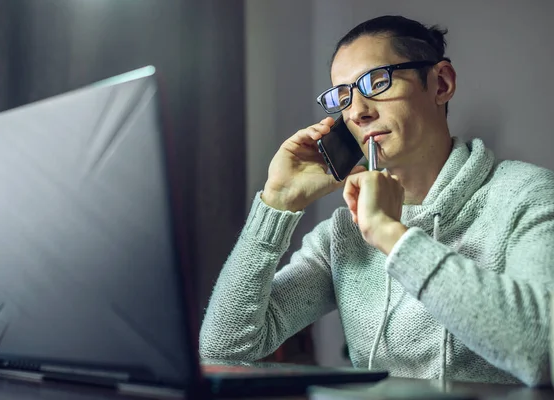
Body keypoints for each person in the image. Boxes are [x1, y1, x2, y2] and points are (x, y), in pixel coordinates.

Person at [199, 15, 554, 387]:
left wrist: (390, 234)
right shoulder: (344, 234)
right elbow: (225, 347)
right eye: (344, 95)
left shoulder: (528, 195)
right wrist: (276, 204)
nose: (357, 111)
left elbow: (543, 354)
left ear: (441, 83)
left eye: (376, 81)